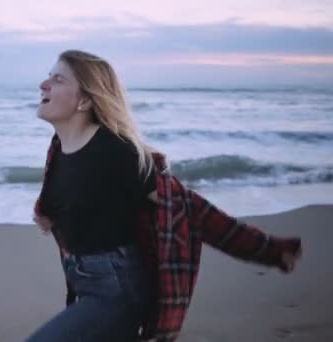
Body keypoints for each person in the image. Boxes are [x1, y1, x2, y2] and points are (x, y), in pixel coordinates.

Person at [26, 50, 302, 342]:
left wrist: (268, 249)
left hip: (116, 291)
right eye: (48, 76)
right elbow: (79, 195)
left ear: (84, 100)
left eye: (57, 79)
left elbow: (189, 208)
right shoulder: (59, 146)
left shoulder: (116, 152)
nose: (44, 84)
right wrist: (49, 214)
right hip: (85, 284)